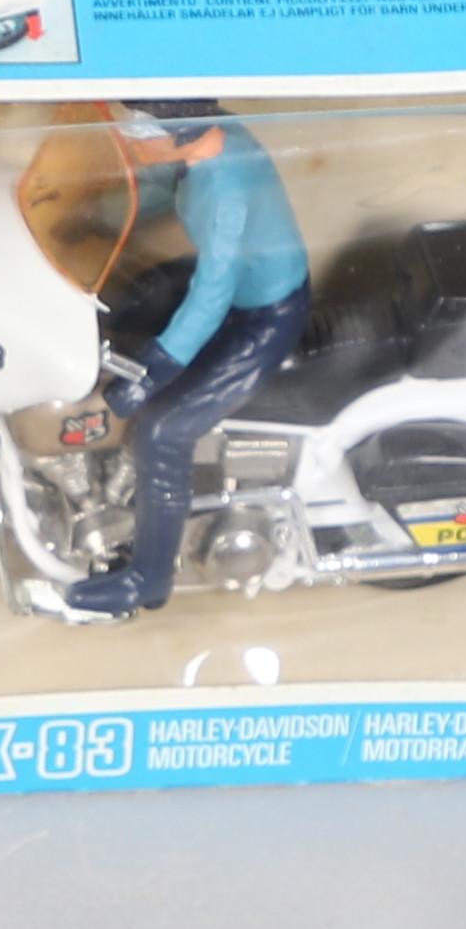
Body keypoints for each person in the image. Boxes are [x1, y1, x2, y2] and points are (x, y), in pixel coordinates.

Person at [68, 98, 308, 620]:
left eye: (139, 133)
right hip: (233, 285)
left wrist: (152, 373)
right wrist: (88, 215)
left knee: (161, 433)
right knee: (129, 302)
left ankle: (148, 580)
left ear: (180, 132)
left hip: (261, 318)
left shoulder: (226, 192)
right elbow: (162, 187)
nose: (130, 141)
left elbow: (211, 297)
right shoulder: (206, 144)